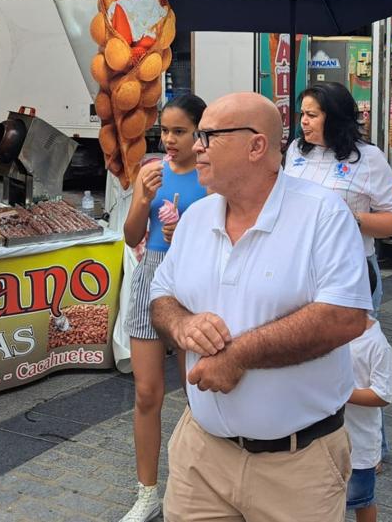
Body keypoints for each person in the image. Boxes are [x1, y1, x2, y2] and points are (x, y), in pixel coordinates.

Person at [149, 93, 372, 521]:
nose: (196, 146)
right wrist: (182, 325)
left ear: (256, 146)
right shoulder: (196, 218)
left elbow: (344, 318)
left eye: (208, 136)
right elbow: (162, 295)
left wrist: (239, 356)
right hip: (201, 457)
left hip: (297, 469)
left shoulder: (323, 215)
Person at [119, 95, 208, 522]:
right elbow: (131, 233)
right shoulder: (151, 172)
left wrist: (185, 238)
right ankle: (147, 493)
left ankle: (203, 485)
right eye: (165, 132)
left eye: (178, 132)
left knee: (197, 392)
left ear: (199, 133)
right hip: (150, 274)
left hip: (192, 281)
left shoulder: (211, 177)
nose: (169, 140)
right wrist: (141, 201)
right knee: (146, 392)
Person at [286, 82, 392, 314]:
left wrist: (350, 218)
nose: (303, 121)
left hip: (349, 269)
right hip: (300, 267)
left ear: (335, 118)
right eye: (302, 114)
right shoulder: (295, 150)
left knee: (352, 347)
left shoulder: (369, 158)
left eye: (312, 115)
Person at [345, 267, 392, 522]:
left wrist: (342, 394)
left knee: (362, 500)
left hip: (360, 445)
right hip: (328, 439)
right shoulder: (333, 334)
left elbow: (382, 395)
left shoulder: (377, 344)